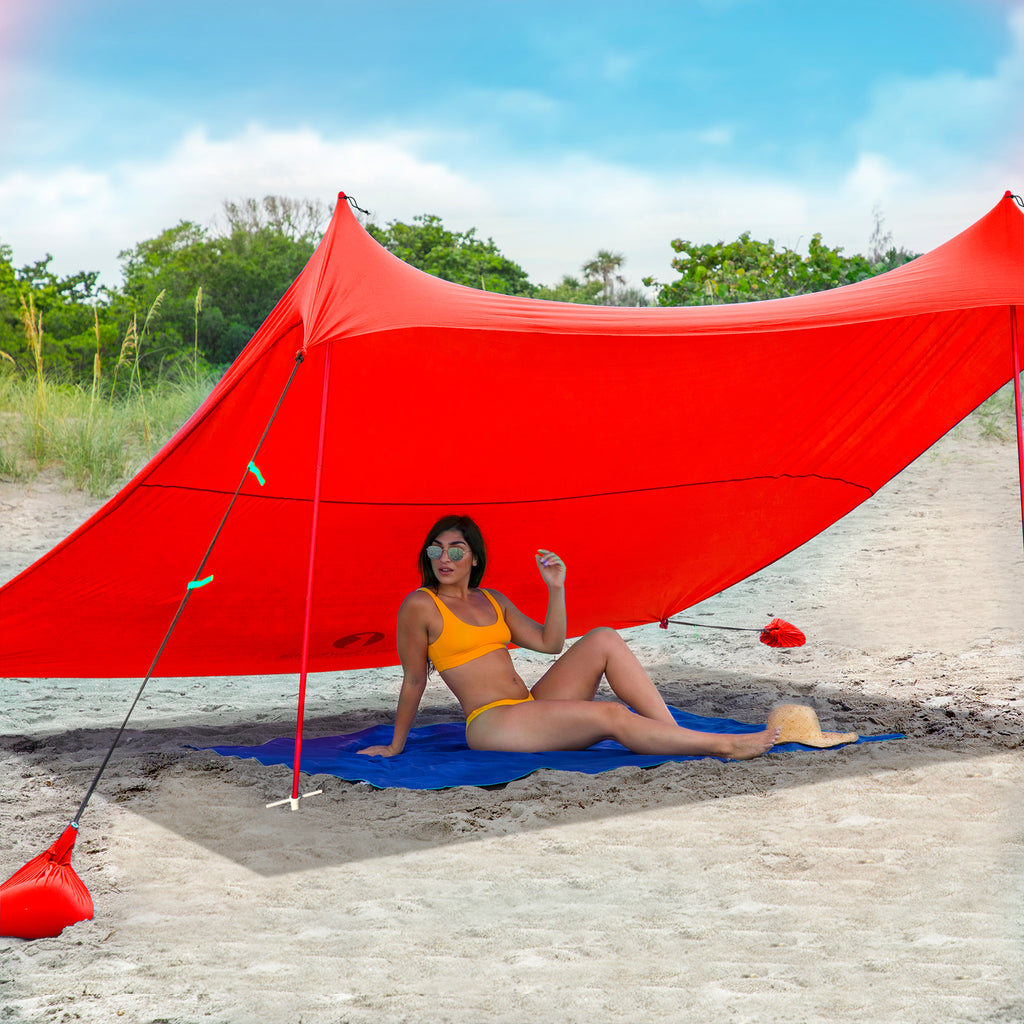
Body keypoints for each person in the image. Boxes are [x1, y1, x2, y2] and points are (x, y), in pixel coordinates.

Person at [358, 514, 780, 760]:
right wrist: (396, 746)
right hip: (491, 723)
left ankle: (672, 734)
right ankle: (721, 746)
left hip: (528, 707)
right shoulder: (419, 605)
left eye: (455, 550)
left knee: (602, 638)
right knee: (611, 717)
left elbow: (550, 643)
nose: (444, 558)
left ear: (474, 558)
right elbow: (414, 680)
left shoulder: (493, 599)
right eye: (436, 549)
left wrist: (555, 588)